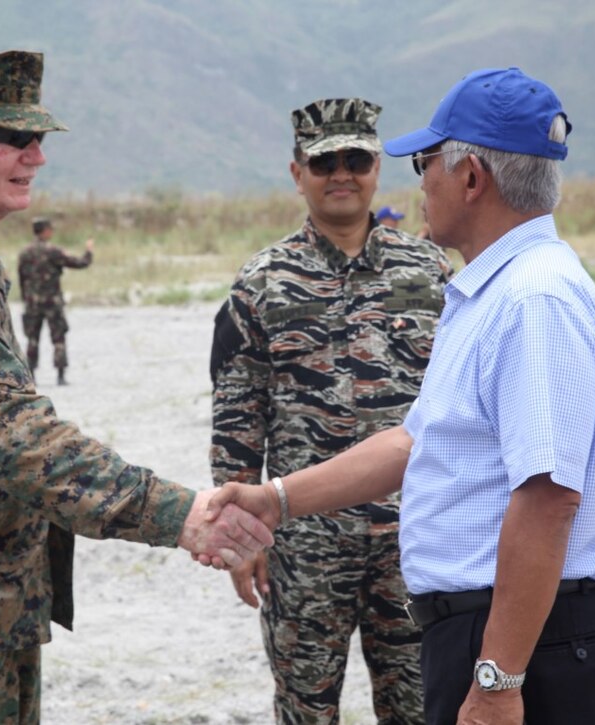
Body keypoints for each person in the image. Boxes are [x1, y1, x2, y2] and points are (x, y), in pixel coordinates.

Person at [0, 50, 273, 724]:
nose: (34, 155)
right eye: (11, 137)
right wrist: (177, 512)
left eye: (38, 137)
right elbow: (15, 437)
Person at [206, 67, 595, 725]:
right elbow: (418, 437)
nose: (420, 178)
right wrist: (272, 499)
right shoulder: (485, 291)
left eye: (426, 160)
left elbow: (549, 496)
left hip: (518, 629)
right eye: (325, 161)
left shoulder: (530, 299)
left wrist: (496, 681)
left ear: (471, 178)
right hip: (417, 595)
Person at [209, 97, 452, 724]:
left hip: (414, 539)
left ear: (377, 169)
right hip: (304, 546)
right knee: (305, 709)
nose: (341, 173)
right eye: (324, 163)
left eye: (356, 159)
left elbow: (461, 407)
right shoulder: (261, 283)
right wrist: (240, 537)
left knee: (422, 706)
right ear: (298, 174)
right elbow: (238, 418)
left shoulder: (429, 272)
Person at [18, 217, 93, 385]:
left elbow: (21, 279)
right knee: (58, 338)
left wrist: (26, 299)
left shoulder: (25, 253)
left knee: (32, 339)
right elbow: (80, 263)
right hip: (52, 302)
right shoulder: (53, 251)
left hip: (32, 303)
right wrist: (89, 251)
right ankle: (60, 375)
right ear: (45, 231)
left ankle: (31, 376)